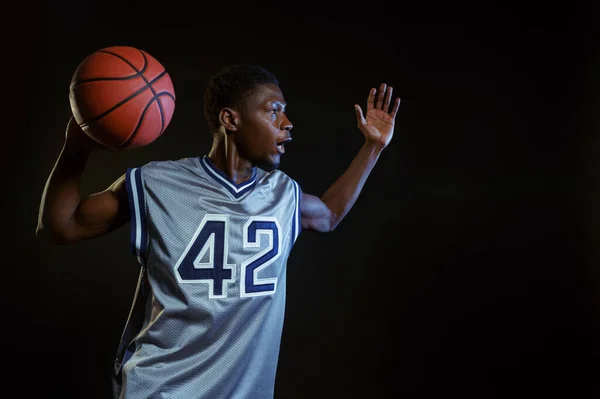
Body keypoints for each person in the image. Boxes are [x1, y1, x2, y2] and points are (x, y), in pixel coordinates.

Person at [36, 64, 401, 398]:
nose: (287, 122)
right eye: (274, 110)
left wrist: (373, 147)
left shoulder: (283, 195)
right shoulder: (157, 184)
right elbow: (61, 227)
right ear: (231, 119)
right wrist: (76, 146)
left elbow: (330, 214)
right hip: (158, 390)